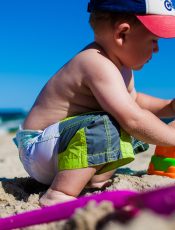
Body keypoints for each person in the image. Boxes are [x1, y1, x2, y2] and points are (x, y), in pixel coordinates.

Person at [14, 0, 175, 206]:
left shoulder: (122, 67)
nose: (157, 49)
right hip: (38, 149)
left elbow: (133, 101)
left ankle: (90, 180)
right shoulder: (95, 62)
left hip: (60, 148)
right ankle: (60, 193)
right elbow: (133, 118)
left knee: (127, 124)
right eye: (154, 40)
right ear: (122, 34)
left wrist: (169, 106)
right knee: (115, 124)